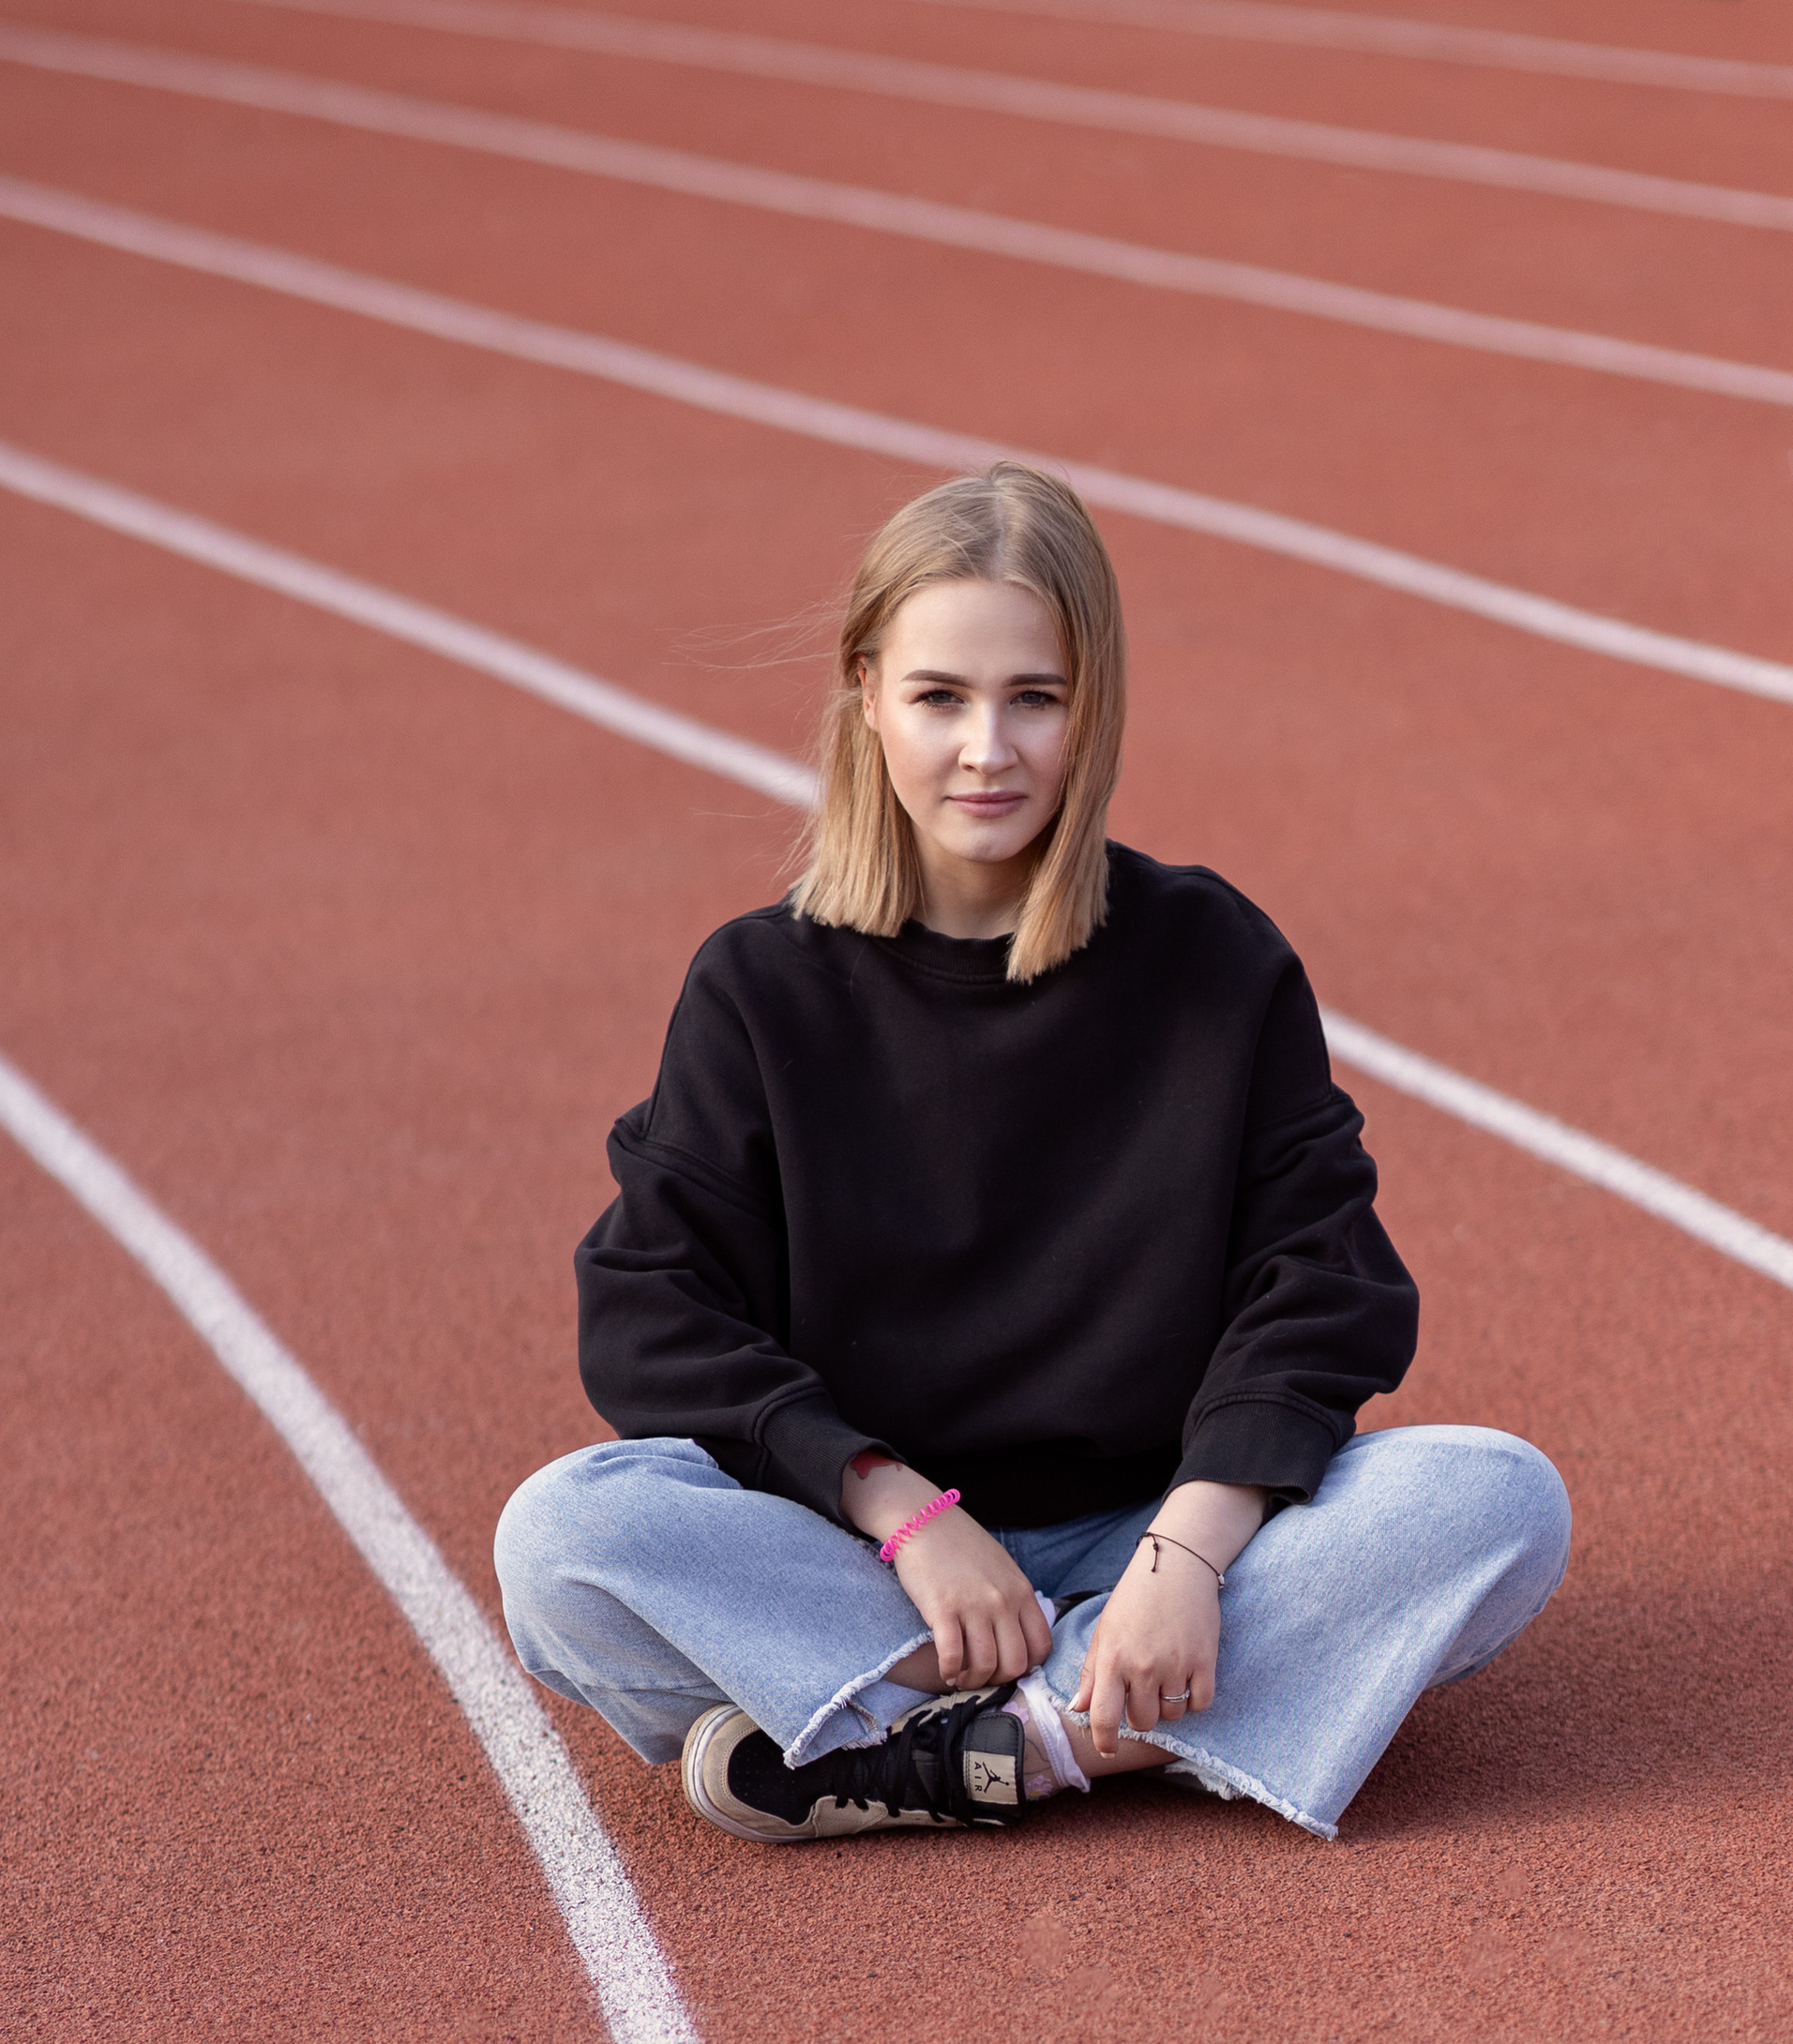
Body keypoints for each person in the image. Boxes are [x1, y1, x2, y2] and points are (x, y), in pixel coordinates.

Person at [494, 467, 1570, 1844]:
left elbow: (1324, 1285)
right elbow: (651, 1308)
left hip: (1170, 1545)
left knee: (1494, 1502)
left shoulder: (1209, 960)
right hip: (879, 1562)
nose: (986, 749)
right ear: (865, 695)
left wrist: (1187, 1553)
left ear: (1093, 708)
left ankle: (940, 1752)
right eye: (940, 698)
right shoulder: (762, 989)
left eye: (1034, 698)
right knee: (562, 1542)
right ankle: (1116, 1730)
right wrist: (905, 1513)